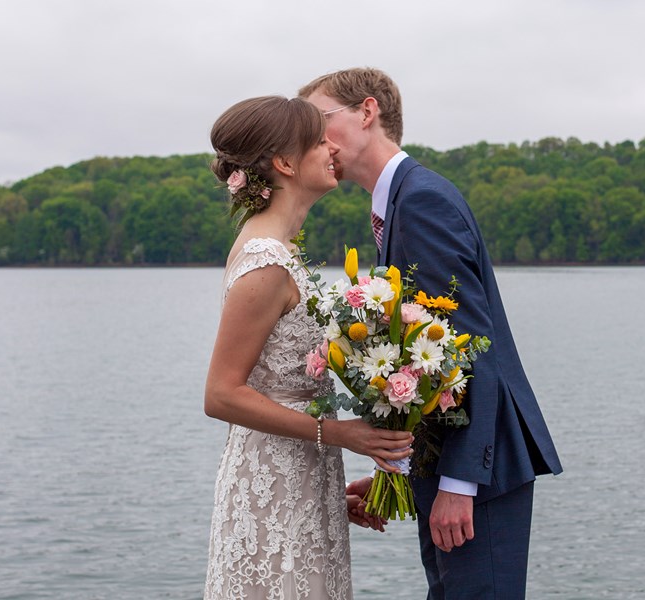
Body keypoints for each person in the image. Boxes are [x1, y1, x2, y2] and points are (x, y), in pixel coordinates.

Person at [299, 69, 563, 600]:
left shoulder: (422, 201)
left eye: (319, 122)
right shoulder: (400, 204)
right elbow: (425, 367)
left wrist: (459, 485)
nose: (312, 140)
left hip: (480, 476)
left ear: (367, 113)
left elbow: (470, 348)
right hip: (449, 472)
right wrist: (402, 477)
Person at [202, 95, 413, 600]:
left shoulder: (283, 252)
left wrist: (324, 492)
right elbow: (222, 394)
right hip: (272, 484)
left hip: (299, 477)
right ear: (285, 163)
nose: (331, 148)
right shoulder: (265, 262)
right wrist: (340, 433)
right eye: (320, 142)